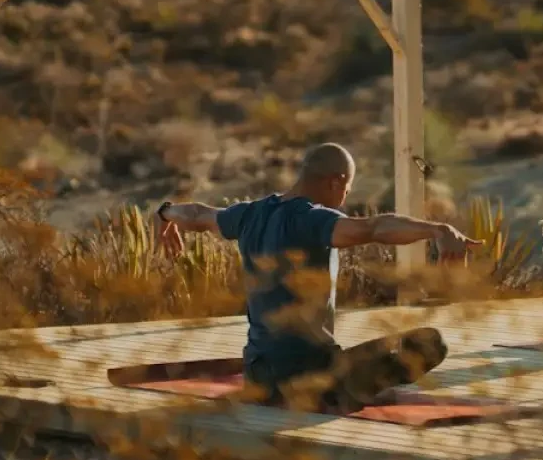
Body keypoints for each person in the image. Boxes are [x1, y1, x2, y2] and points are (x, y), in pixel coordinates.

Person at [154, 142, 481, 411]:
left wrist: (165, 213)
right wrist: (439, 230)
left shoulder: (250, 214)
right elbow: (374, 227)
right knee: (429, 343)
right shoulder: (311, 219)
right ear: (336, 181)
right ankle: (333, 396)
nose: (344, 199)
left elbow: (198, 214)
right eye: (346, 190)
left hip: (259, 376)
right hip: (310, 377)